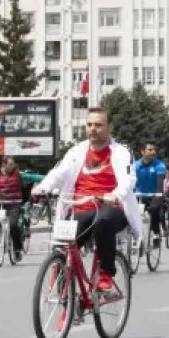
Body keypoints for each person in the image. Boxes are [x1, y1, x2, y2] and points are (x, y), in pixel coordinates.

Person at [32, 108, 140, 300]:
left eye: (98, 125)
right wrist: (42, 188)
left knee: (103, 222)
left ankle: (106, 273)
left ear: (109, 127)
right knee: (64, 246)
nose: (93, 129)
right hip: (80, 208)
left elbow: (128, 179)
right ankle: (67, 298)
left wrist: (115, 195)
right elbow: (59, 173)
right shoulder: (76, 151)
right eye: (89, 125)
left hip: (111, 208)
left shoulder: (122, 153)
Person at [0, 156, 43, 260]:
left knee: (14, 226)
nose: (13, 166)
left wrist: (51, 177)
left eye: (13, 164)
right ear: (3, 165)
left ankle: (17, 250)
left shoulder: (18, 174)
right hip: (0, 202)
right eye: (10, 164)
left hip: (14, 204)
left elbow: (35, 177)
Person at [133, 143, 167, 248]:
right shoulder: (136, 165)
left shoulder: (159, 165)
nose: (153, 152)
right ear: (142, 152)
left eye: (154, 150)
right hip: (139, 195)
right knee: (135, 214)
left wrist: (158, 195)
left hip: (154, 195)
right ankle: (136, 236)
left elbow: (160, 183)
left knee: (155, 212)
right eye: (150, 150)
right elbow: (131, 181)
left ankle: (156, 234)